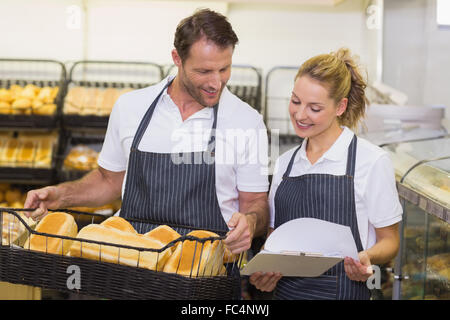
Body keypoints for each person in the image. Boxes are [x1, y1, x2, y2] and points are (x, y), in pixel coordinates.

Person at [24, 9, 269, 256]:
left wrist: (250, 223)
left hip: (207, 272)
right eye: (204, 71)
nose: (216, 82)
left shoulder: (247, 121)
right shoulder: (131, 107)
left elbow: (256, 204)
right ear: (177, 58)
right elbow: (109, 181)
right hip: (133, 267)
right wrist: (60, 196)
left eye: (224, 69)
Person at [249, 48, 402, 300]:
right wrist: (265, 271)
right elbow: (275, 236)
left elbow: (390, 241)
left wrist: (368, 258)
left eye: (314, 108)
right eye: (295, 101)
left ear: (340, 107)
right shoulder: (285, 164)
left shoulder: (371, 161)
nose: (299, 115)